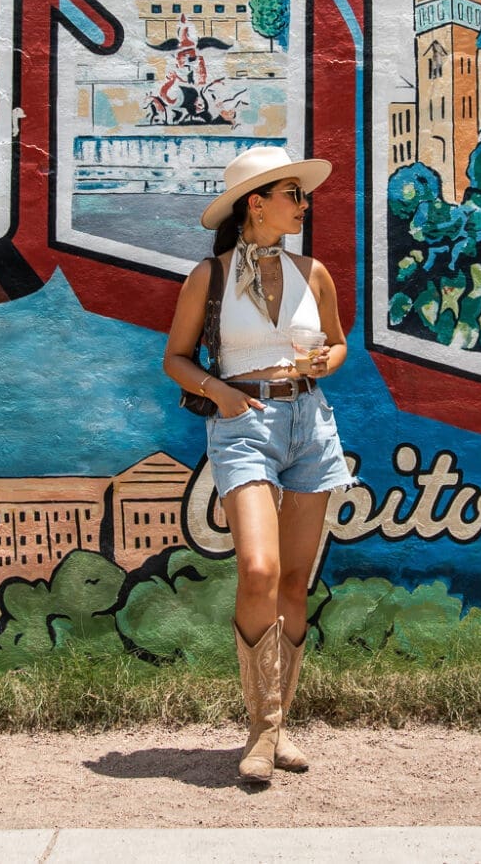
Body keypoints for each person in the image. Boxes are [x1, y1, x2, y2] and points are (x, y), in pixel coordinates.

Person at [163, 146, 352, 786]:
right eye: (293, 195)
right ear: (257, 203)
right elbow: (177, 358)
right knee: (259, 568)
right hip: (243, 425)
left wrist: (322, 363)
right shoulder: (208, 278)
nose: (303, 204)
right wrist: (221, 393)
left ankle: (276, 727)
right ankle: (259, 726)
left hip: (310, 425)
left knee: (295, 582)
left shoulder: (313, 272)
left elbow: (337, 345)